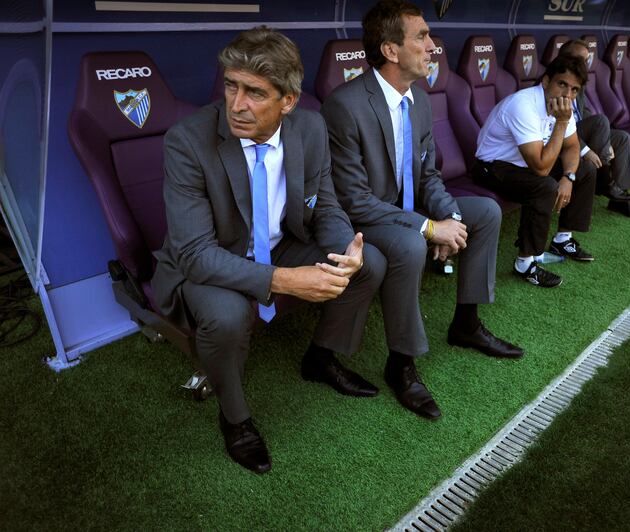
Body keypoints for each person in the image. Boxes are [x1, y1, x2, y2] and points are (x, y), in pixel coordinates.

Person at [152, 27, 386, 474]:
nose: (236, 105)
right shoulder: (187, 141)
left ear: (289, 101)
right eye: (230, 86)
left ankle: (321, 357)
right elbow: (195, 254)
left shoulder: (311, 128)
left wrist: (346, 248)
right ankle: (235, 419)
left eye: (255, 93)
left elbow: (326, 205)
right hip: (211, 260)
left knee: (368, 263)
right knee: (226, 316)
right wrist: (283, 280)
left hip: (279, 245)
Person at [321, 0, 522, 421]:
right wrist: (430, 228)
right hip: (364, 219)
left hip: (405, 209)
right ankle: (402, 363)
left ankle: (466, 323)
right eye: (422, 36)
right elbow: (354, 200)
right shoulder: (345, 104)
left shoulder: (419, 98)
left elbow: (429, 174)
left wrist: (452, 219)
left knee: (484, 211)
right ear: (391, 50)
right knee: (411, 244)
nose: (432, 45)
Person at [473, 54, 597, 289]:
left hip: (526, 165)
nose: (567, 95)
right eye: (562, 84)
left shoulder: (563, 106)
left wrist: (569, 177)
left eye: (574, 90)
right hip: (492, 167)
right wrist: (561, 123)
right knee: (545, 186)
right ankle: (525, 263)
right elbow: (541, 168)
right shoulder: (524, 104)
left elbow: (572, 147)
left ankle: (562, 239)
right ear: (546, 80)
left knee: (585, 169)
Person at [558, 39, 630, 220]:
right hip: (563, 137)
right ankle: (605, 182)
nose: (586, 65)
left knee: (621, 138)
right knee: (600, 122)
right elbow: (553, 128)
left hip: (581, 132)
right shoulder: (556, 83)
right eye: (582, 60)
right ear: (567, 59)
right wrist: (586, 149)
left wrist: (605, 142)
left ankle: (619, 200)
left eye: (587, 60)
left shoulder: (578, 82)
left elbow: (585, 113)